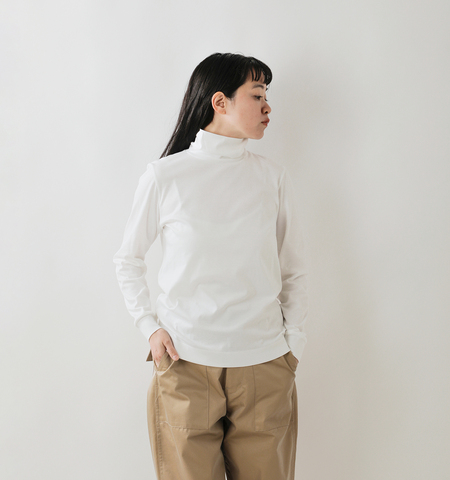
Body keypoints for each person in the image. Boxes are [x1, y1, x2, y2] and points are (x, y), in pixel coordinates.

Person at [113, 52, 308, 480]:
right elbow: (128, 259)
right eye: (257, 95)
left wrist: (292, 344)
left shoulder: (272, 177)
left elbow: (293, 268)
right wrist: (149, 327)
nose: (268, 107)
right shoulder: (165, 176)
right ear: (220, 102)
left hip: (265, 362)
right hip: (184, 361)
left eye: (266, 96)